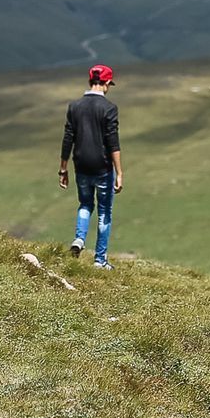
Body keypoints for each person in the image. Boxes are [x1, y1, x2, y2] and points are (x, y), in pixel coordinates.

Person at [59, 64, 123, 268]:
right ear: (105, 83)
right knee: (104, 212)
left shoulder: (74, 107)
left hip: (81, 166)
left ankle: (79, 239)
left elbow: (68, 138)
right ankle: (100, 260)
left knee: (85, 204)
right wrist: (119, 172)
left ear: (90, 82)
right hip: (102, 168)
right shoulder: (109, 108)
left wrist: (63, 168)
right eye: (108, 84)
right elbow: (113, 142)